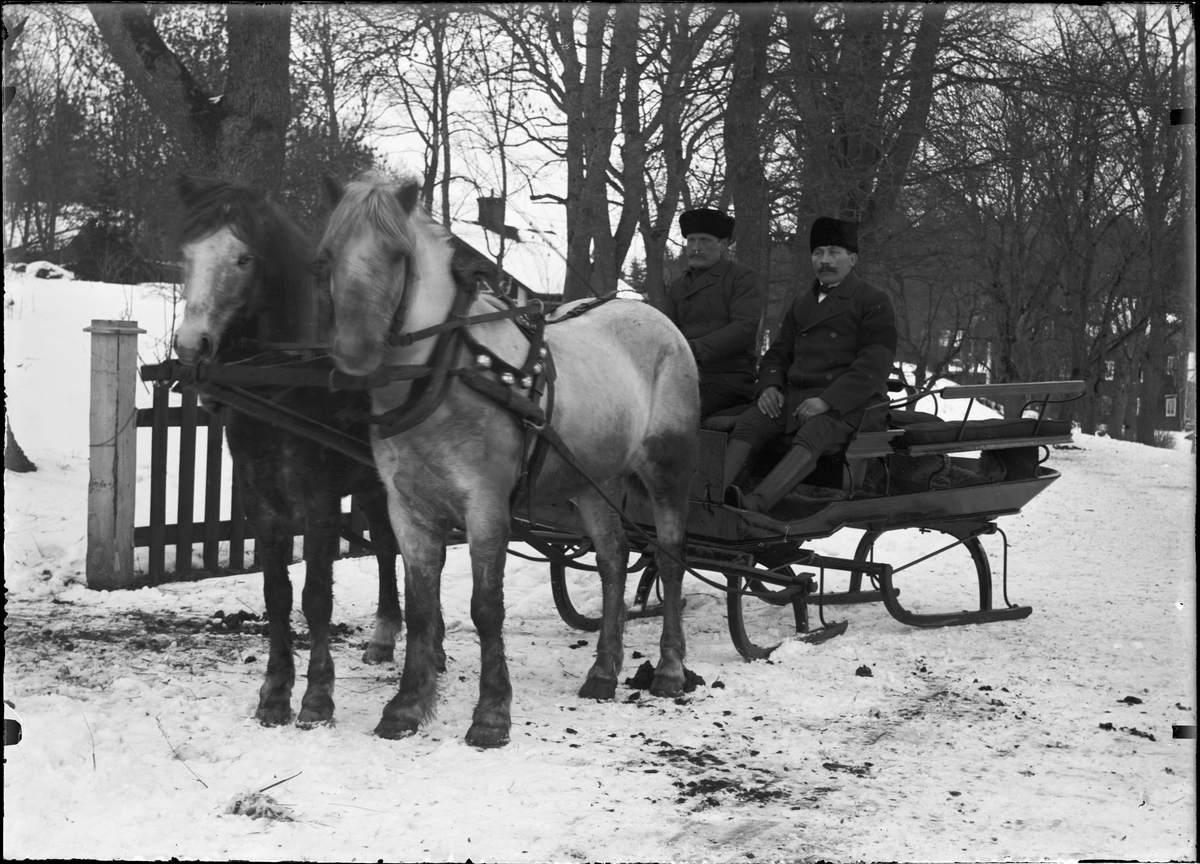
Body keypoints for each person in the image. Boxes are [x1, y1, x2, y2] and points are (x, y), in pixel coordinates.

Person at [723, 217, 897, 513]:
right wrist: (769, 387)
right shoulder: (802, 302)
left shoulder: (874, 300)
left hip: (853, 405)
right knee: (751, 421)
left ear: (852, 259)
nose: (824, 260)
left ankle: (755, 506)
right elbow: (778, 354)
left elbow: (875, 363)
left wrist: (828, 401)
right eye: (818, 253)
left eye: (834, 252)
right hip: (798, 397)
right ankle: (713, 497)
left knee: (815, 431)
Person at [656, 208, 763, 419]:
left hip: (728, 380)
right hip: (683, 374)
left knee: (667, 413)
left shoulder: (742, 277)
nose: (695, 247)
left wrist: (694, 348)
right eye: (691, 240)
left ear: (722, 245)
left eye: (704, 240)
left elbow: (744, 328)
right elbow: (667, 330)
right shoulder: (678, 285)